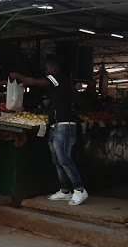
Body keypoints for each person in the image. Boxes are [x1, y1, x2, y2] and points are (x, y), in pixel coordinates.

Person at [10, 56, 88, 206]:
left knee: (64, 159)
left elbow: (33, 82)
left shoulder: (57, 77)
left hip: (64, 126)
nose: (45, 72)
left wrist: (19, 76)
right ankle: (65, 190)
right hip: (55, 126)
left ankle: (79, 190)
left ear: (52, 69)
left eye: (46, 69)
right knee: (57, 160)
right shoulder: (58, 85)